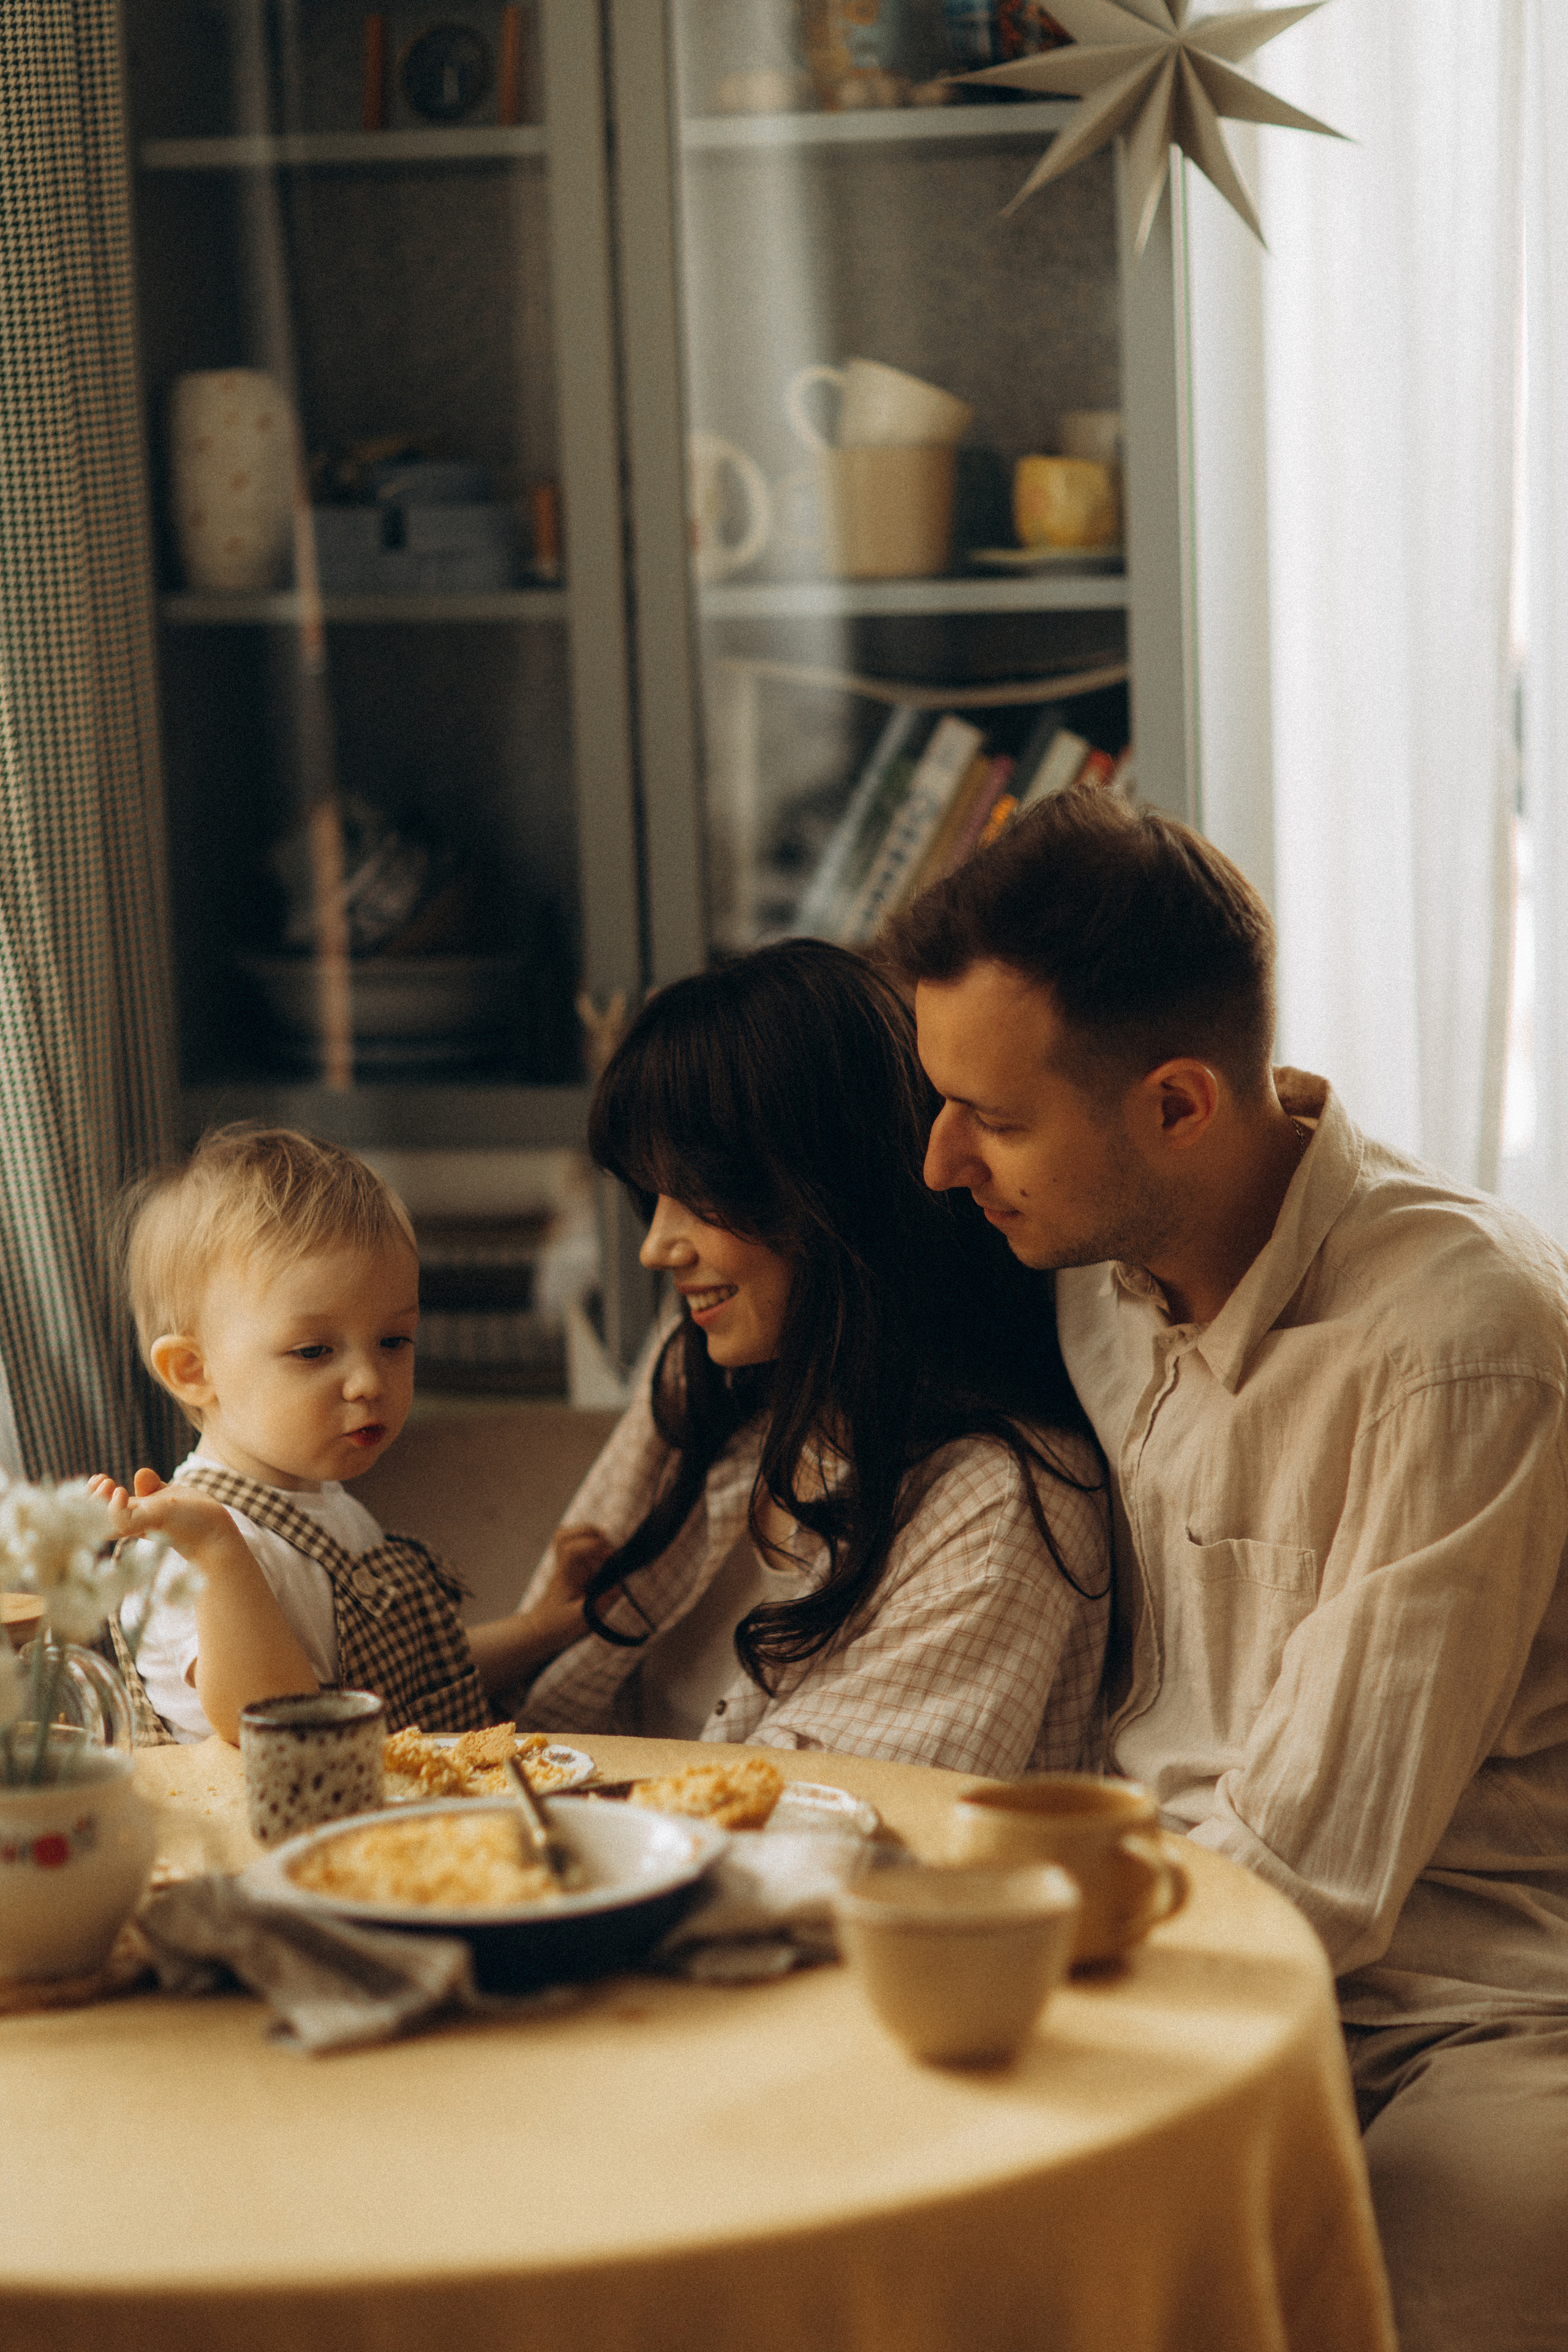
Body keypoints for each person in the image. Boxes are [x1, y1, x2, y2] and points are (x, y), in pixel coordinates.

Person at [887, 782, 1568, 2352]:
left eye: (988, 1115)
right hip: (1190, 1943)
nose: (939, 1162)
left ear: (1179, 1104)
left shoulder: (1458, 1347)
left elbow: (1315, 1867)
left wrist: (995, 1972)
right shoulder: (1087, 1280)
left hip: (1471, 2016)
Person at [512, 938, 1110, 1776]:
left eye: (697, 1196)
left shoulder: (999, 1507)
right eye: (654, 1200)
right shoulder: (711, 1383)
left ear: (829, 1193)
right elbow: (533, 1682)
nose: (656, 1249)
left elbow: (809, 1835)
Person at [95, 1126, 592, 1743]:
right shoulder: (181, 1551)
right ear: (194, 1372)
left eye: (393, 1341)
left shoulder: (335, 1511)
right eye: (313, 1350)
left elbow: (414, 1685)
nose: (367, 1381)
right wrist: (220, 1552)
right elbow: (275, 1722)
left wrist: (541, 1628)